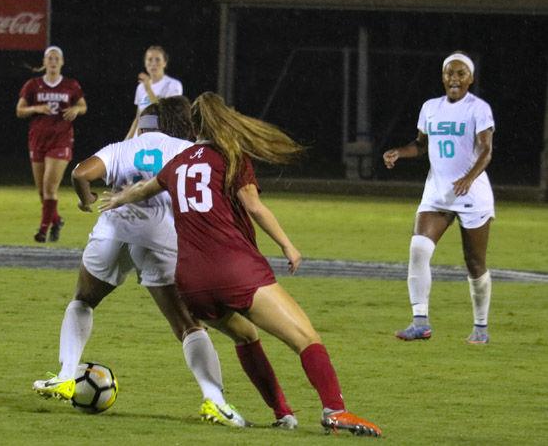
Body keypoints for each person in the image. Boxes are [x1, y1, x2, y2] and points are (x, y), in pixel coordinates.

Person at [98, 92, 382, 437]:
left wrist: (118, 198)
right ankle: (335, 410)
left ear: (194, 127)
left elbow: (145, 188)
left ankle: (283, 413)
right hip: (233, 270)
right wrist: (288, 245)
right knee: (306, 338)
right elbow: (255, 207)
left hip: (191, 282)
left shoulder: (179, 161)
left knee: (246, 336)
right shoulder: (230, 156)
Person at [33, 96, 296, 429]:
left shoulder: (123, 147)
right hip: (161, 237)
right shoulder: (188, 150)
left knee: (83, 300)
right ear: (185, 123)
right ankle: (215, 402)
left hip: (114, 228)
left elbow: (81, 173)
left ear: (146, 122)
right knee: (188, 326)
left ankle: (67, 375)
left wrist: (87, 200)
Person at [383, 51, 495, 345]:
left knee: (474, 262)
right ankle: (420, 322)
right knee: (418, 249)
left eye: (460, 74)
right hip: (437, 192)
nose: (454, 79)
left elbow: (486, 150)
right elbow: (420, 146)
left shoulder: (478, 109)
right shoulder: (430, 107)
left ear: (470, 78)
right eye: (449, 73)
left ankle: (480, 327)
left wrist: (468, 178)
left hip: (472, 194)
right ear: (443, 76)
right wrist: (399, 152)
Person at [16, 46, 87, 243]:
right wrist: (37, 108)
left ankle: (43, 229)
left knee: (49, 187)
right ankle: (56, 220)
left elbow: (83, 106)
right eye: (50, 58)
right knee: (42, 191)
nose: (53, 61)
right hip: (38, 140)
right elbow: (20, 110)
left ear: (62, 62)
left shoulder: (71, 85)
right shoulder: (33, 85)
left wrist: (75, 110)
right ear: (44, 62)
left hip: (61, 140)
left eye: (57, 58)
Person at [125, 45, 182, 139]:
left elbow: (165, 112)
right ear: (145, 63)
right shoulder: (140, 87)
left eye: (157, 59)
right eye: (150, 59)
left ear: (165, 63)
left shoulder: (173, 85)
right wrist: (127, 140)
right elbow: (138, 117)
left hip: (160, 137)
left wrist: (148, 89)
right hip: (139, 139)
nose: (153, 63)